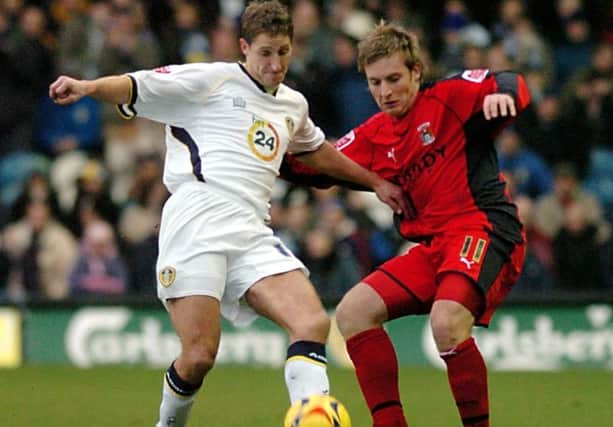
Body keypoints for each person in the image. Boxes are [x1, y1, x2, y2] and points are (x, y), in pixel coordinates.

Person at [49, 2, 411, 427]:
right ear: (244, 48)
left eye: (282, 52)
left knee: (311, 321)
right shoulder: (210, 79)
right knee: (200, 355)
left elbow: (316, 152)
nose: (274, 64)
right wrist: (88, 87)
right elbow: (135, 85)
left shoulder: (292, 105)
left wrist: (375, 182)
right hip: (196, 216)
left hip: (251, 227)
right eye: (264, 53)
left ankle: (313, 419)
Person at [280, 23, 530, 427]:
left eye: (394, 79)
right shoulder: (374, 135)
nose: (385, 91)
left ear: (416, 72)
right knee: (352, 312)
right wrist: (269, 142)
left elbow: (510, 82)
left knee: (446, 323)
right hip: (433, 249)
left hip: (482, 229)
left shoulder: (449, 98)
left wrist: (503, 95)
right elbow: (315, 164)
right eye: (375, 83)